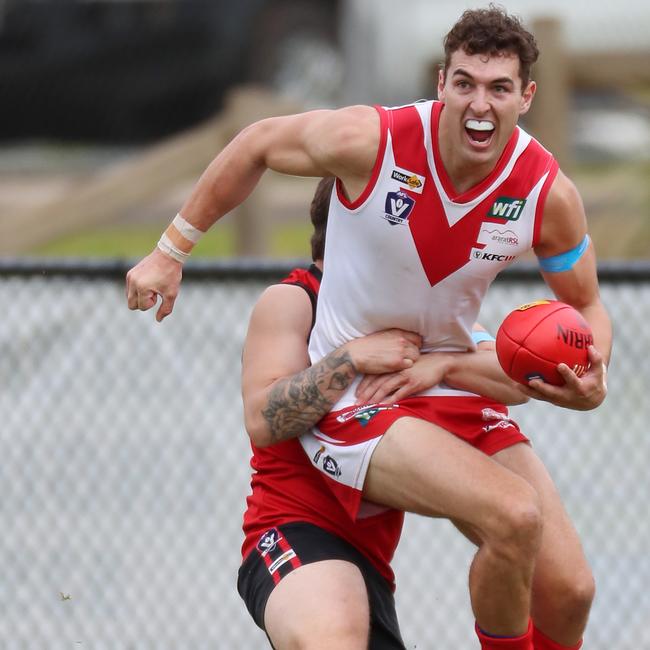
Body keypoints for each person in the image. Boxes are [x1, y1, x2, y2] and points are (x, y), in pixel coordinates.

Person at [126, 7, 612, 649]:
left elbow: (587, 309)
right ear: (441, 83)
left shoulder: (546, 191)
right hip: (359, 397)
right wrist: (171, 249)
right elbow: (258, 141)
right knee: (513, 514)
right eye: (465, 82)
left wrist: (590, 368)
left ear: (526, 97)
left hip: (448, 381)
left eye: (499, 88)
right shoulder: (372, 141)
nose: (479, 104)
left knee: (570, 590)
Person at [238, 177, 528, 649]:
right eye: (405, 226)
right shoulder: (293, 300)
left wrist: (447, 364)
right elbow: (262, 420)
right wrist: (349, 359)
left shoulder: (408, 313)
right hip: (292, 530)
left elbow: (513, 380)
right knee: (335, 636)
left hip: (370, 561)